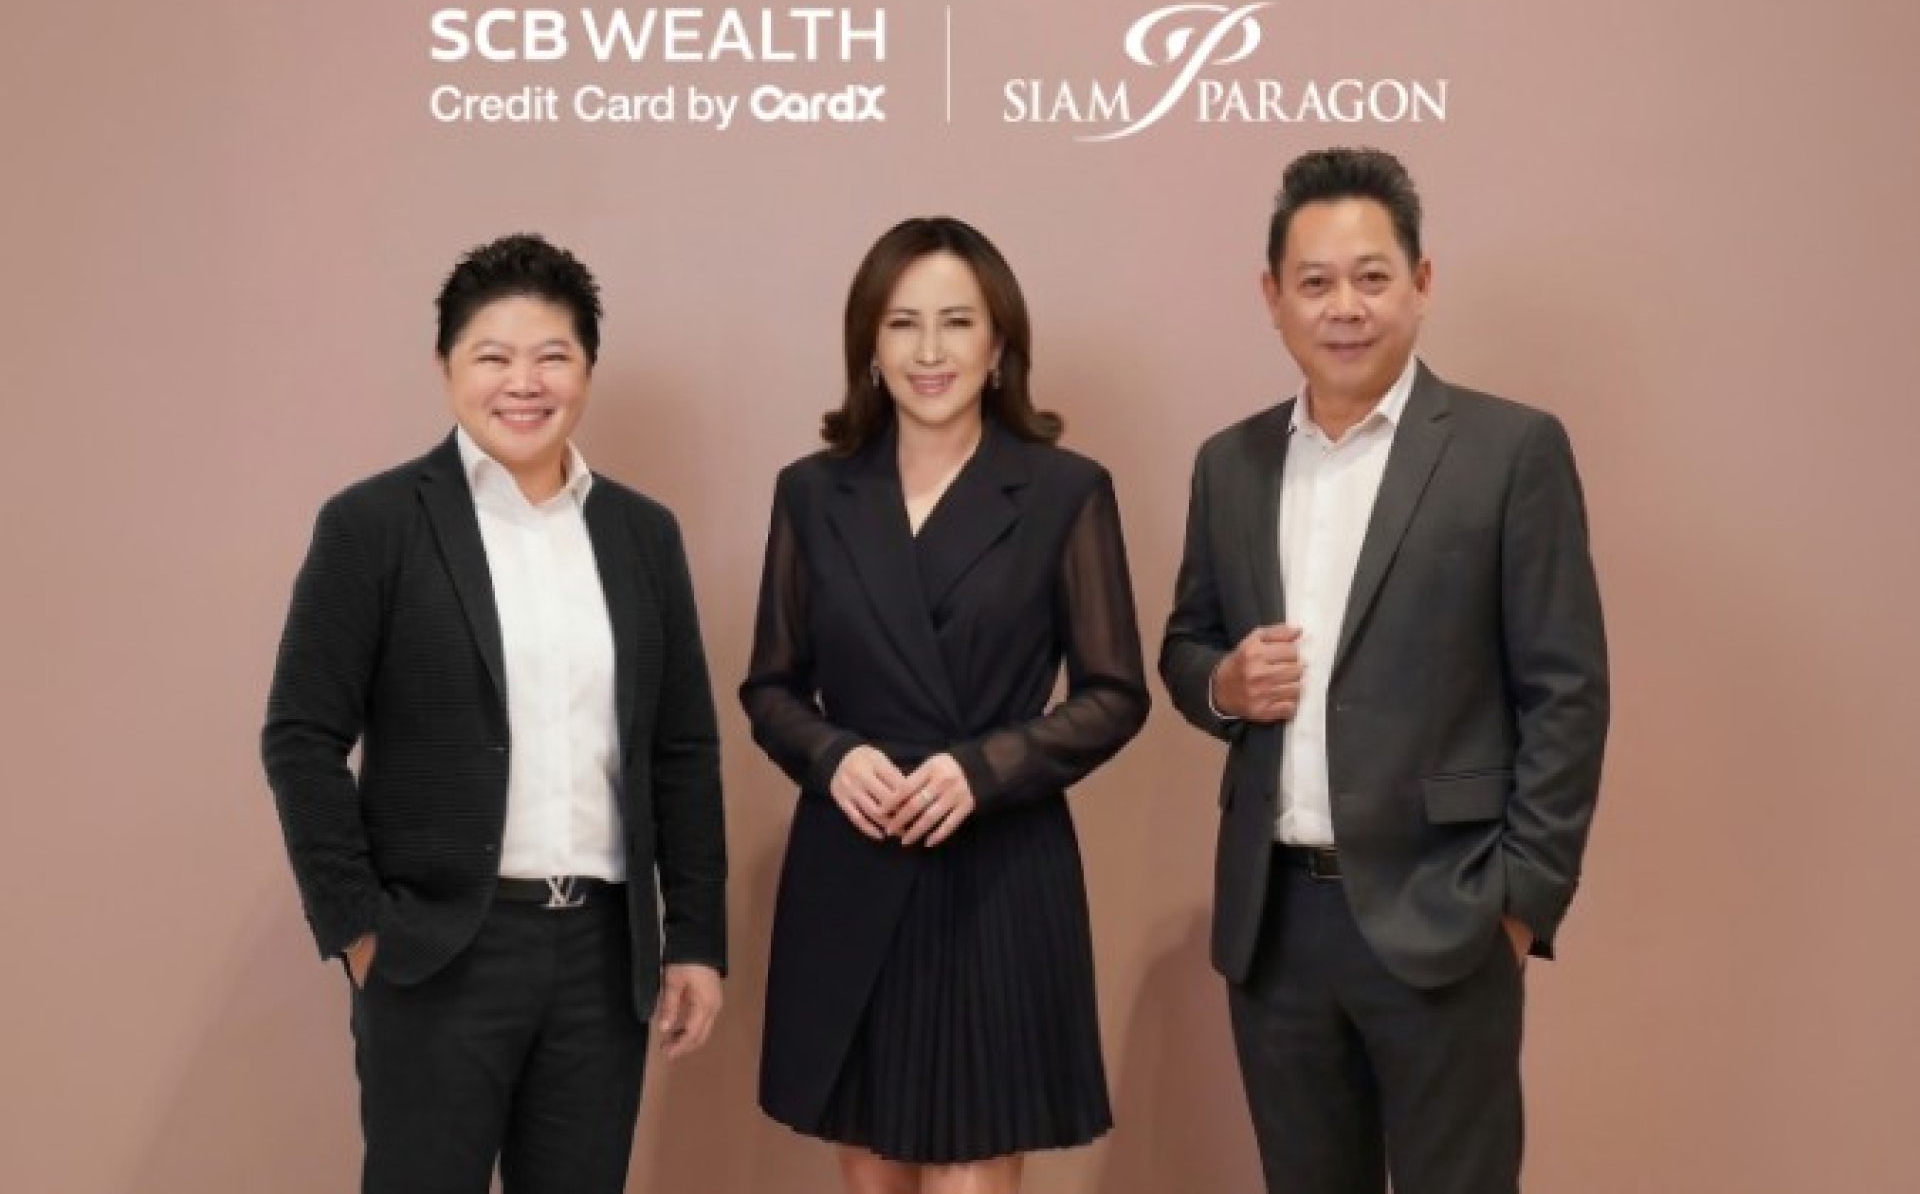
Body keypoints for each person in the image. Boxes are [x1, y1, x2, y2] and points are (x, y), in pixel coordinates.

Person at [1160, 147, 1609, 1194]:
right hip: (1274, 923)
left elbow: (1567, 691)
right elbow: (1185, 644)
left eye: (1372, 276)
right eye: (1315, 282)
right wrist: (1223, 685)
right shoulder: (1230, 463)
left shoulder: (1510, 451)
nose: (1345, 307)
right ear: (1273, 297)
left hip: (1447, 912)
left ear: (1422, 281)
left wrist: (1518, 905)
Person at [261, 233, 727, 1194]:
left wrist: (693, 940)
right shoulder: (373, 525)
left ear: (587, 370)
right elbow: (301, 737)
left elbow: (682, 749)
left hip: (602, 955)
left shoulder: (642, 535)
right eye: (493, 356)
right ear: (446, 367)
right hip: (436, 952)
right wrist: (360, 931)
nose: (524, 383)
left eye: (552, 355)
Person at [741, 217, 1149, 1194]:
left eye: (957, 322)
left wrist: (984, 769)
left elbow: (1115, 692)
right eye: (903, 324)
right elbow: (770, 685)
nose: (930, 351)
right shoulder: (813, 493)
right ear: (868, 347)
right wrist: (833, 755)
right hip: (854, 854)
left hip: (997, 870)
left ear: (999, 343)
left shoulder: (1064, 491)